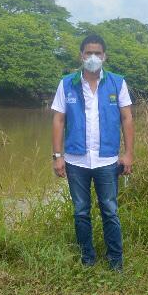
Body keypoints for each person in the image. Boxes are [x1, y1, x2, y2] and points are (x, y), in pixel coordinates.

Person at [50, 34, 134, 270]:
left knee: (110, 210)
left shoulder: (117, 82)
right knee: (80, 212)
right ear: (81, 55)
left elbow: (127, 118)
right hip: (76, 160)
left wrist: (128, 154)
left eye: (98, 53)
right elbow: (58, 120)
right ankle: (88, 259)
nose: (93, 57)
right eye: (89, 53)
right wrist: (58, 157)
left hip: (107, 160)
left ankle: (115, 261)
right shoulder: (67, 83)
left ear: (104, 56)